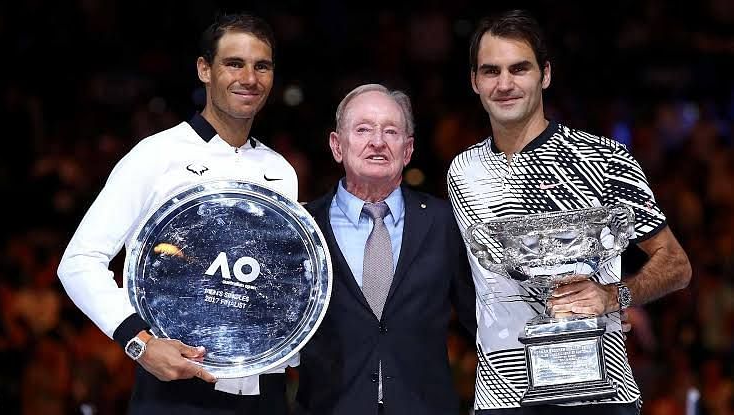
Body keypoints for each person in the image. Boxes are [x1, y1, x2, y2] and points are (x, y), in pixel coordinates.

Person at [447, 10, 692, 415]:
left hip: (602, 392)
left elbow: (677, 264)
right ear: (475, 81)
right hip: (503, 398)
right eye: (491, 71)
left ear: (545, 74)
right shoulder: (462, 172)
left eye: (519, 69)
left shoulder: (605, 158)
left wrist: (615, 297)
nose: (504, 84)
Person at [57, 13, 297, 415]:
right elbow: (79, 262)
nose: (249, 78)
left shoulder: (281, 171)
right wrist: (141, 344)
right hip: (176, 392)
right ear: (205, 69)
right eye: (234, 63)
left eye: (262, 66)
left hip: (265, 393)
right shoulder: (157, 155)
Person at [295, 84, 476, 415]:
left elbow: (479, 320)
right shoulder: (303, 226)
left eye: (390, 131)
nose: (377, 142)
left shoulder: (444, 222)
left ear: (407, 151)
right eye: (363, 129)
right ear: (337, 145)